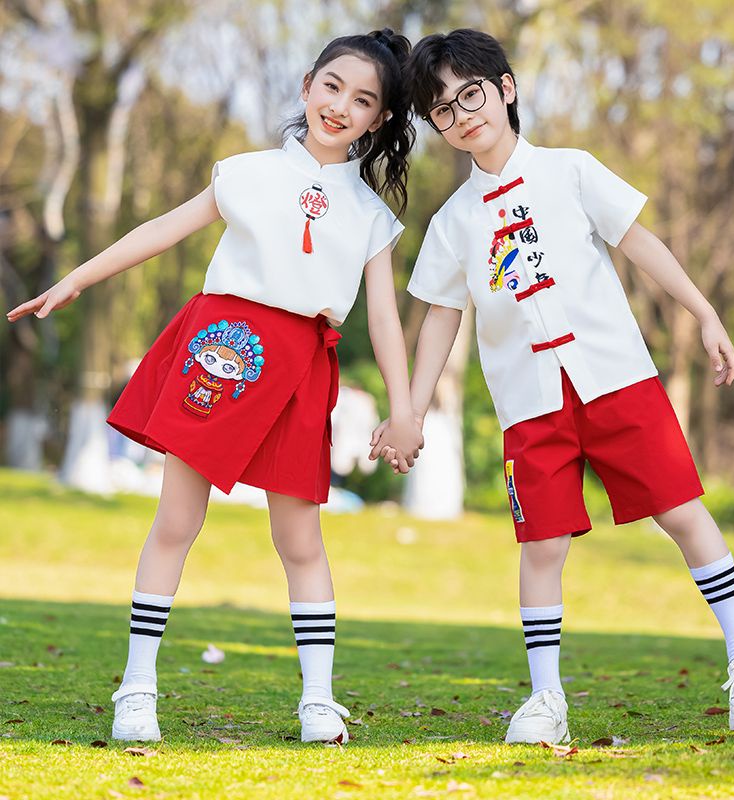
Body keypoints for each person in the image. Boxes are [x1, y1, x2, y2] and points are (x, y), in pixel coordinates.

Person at [8, 28, 424, 745]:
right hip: (224, 349)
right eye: (331, 87)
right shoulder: (246, 173)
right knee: (177, 520)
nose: (340, 106)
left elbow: (384, 318)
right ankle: (137, 688)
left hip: (303, 366)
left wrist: (406, 407)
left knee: (299, 538)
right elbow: (162, 230)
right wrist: (76, 278)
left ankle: (317, 700)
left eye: (362, 100)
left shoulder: (370, 216)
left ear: (379, 118)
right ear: (307, 86)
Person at [371, 28, 734, 743]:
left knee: (681, 513)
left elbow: (638, 241)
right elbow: (440, 316)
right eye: (442, 108)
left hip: (616, 379)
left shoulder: (570, 171)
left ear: (506, 89)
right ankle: (546, 697)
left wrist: (704, 313)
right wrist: (409, 409)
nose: (462, 114)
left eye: (472, 94)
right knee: (542, 546)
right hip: (529, 405)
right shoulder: (453, 222)